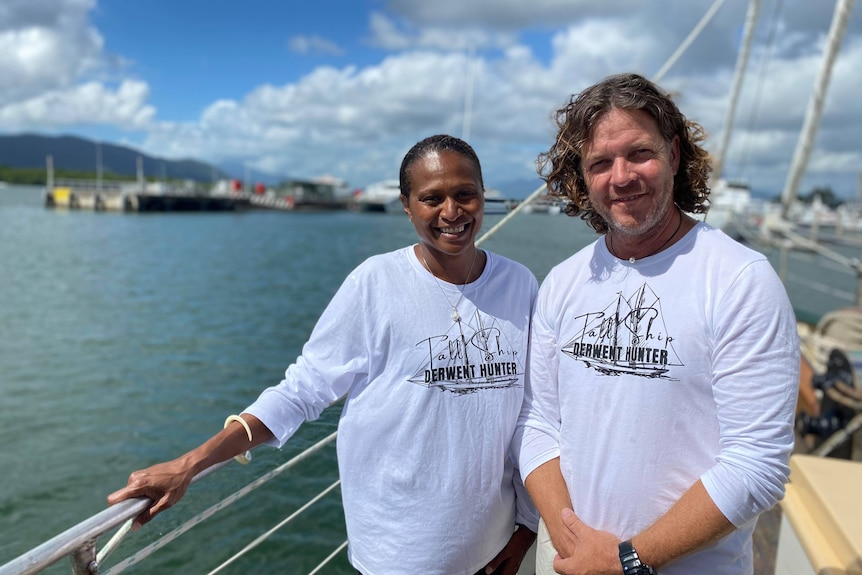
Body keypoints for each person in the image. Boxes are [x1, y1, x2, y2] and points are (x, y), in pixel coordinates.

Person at [108, 134, 538, 575]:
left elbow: (533, 413)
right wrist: (190, 463)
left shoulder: (519, 284)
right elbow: (302, 391)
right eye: (432, 198)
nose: (452, 212)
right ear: (407, 206)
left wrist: (526, 527)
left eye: (465, 194)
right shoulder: (375, 284)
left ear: (484, 195)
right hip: (400, 555)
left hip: (496, 548)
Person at [513, 73, 799, 575]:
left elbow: (757, 462)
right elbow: (537, 424)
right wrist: (573, 542)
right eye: (600, 163)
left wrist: (627, 559)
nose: (621, 177)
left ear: (673, 153)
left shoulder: (739, 281)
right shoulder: (562, 282)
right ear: (581, 177)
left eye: (639, 153)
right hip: (569, 561)